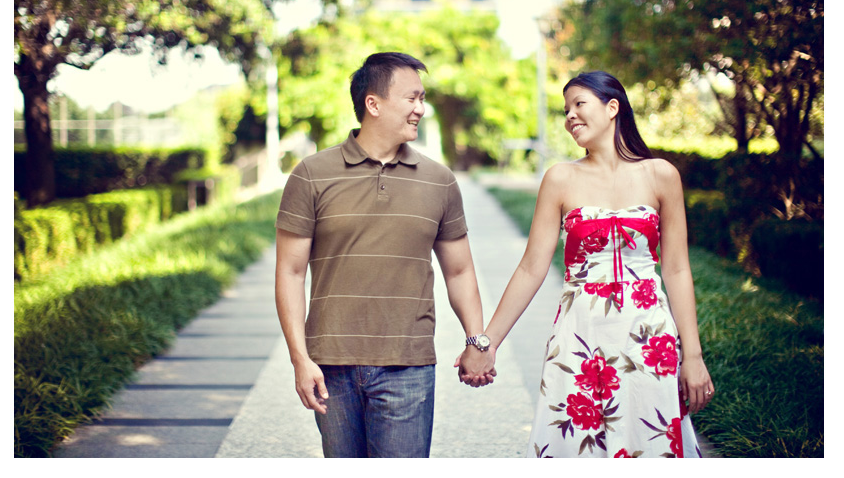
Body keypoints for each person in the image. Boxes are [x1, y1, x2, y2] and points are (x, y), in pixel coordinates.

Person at [477, 71, 714, 458]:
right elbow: (531, 268)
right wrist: (488, 343)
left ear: (612, 107)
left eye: (578, 104)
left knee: (651, 443)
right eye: (565, 109)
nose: (569, 116)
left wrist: (693, 355)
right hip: (579, 337)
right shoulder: (560, 178)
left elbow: (676, 270)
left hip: (648, 338)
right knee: (577, 444)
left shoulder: (661, 175)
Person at [274, 52, 496, 458]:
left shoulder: (439, 181)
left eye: (422, 99)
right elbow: (289, 272)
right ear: (372, 104)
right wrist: (299, 359)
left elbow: (460, 271)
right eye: (412, 98)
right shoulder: (311, 174)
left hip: (407, 365)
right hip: (331, 366)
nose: (421, 109)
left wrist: (477, 340)